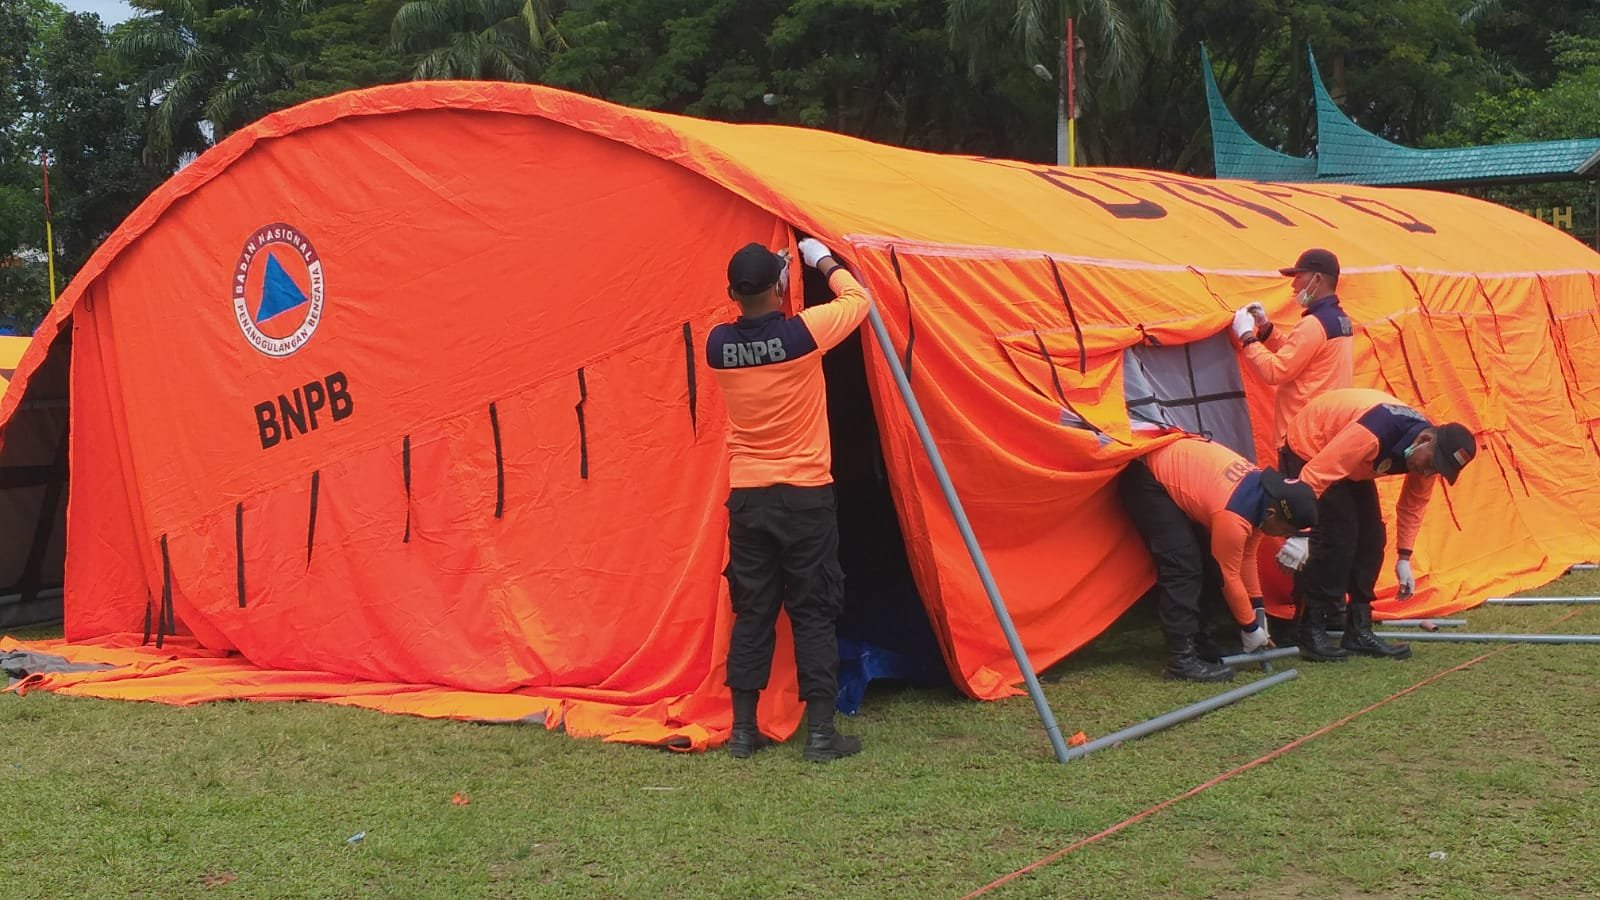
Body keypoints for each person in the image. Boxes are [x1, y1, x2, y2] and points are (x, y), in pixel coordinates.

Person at [708, 235, 871, 762]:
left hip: (749, 494)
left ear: (732, 291)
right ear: (780, 290)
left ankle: (742, 731)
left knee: (753, 610)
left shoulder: (716, 345)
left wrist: (773, 278)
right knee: (814, 609)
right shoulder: (805, 334)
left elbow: (751, 326)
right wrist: (819, 259)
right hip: (805, 493)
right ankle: (821, 733)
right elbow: (857, 301)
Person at [1274, 388, 1478, 662]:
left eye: (1437, 470)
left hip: (1350, 460)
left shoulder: (1427, 454)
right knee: (1336, 537)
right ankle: (1310, 627)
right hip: (1312, 448)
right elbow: (1314, 475)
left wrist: (1404, 557)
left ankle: (1358, 627)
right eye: (1431, 464)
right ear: (1425, 438)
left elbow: (1412, 506)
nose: (1428, 472)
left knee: (1371, 539)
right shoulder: (1375, 432)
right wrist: (1300, 533)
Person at [1118, 435, 1320, 682]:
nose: (1284, 537)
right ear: (1272, 514)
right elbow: (1229, 575)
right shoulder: (1234, 517)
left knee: (1201, 560)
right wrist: (1249, 627)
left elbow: (1247, 559)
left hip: (1174, 471)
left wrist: (1258, 613)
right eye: (1287, 531)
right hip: (1147, 477)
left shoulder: (1264, 499)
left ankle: (1199, 643)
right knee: (1184, 566)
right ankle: (1181, 660)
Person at [1230, 248, 1354, 453]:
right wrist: (1266, 328)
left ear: (1317, 279)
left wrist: (1246, 336)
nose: (1294, 285)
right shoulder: (1339, 318)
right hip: (1326, 429)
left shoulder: (1314, 324)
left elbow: (1276, 372)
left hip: (1303, 436)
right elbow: (1302, 356)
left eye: (1298, 276)